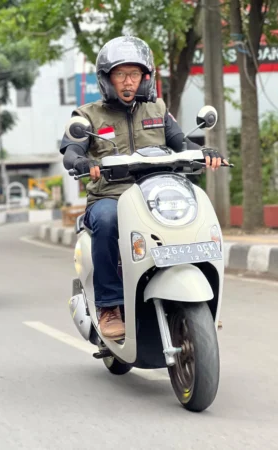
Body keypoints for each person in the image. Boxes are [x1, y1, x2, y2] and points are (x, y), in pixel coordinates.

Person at [60, 36, 227, 340]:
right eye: (121, 74)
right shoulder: (87, 116)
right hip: (110, 196)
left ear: (144, 78)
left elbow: (181, 142)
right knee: (109, 221)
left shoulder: (158, 110)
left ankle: (199, 302)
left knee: (193, 214)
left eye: (134, 74)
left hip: (156, 193)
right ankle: (109, 305)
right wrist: (82, 162)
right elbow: (71, 151)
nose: (128, 82)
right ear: (107, 78)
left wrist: (206, 152)